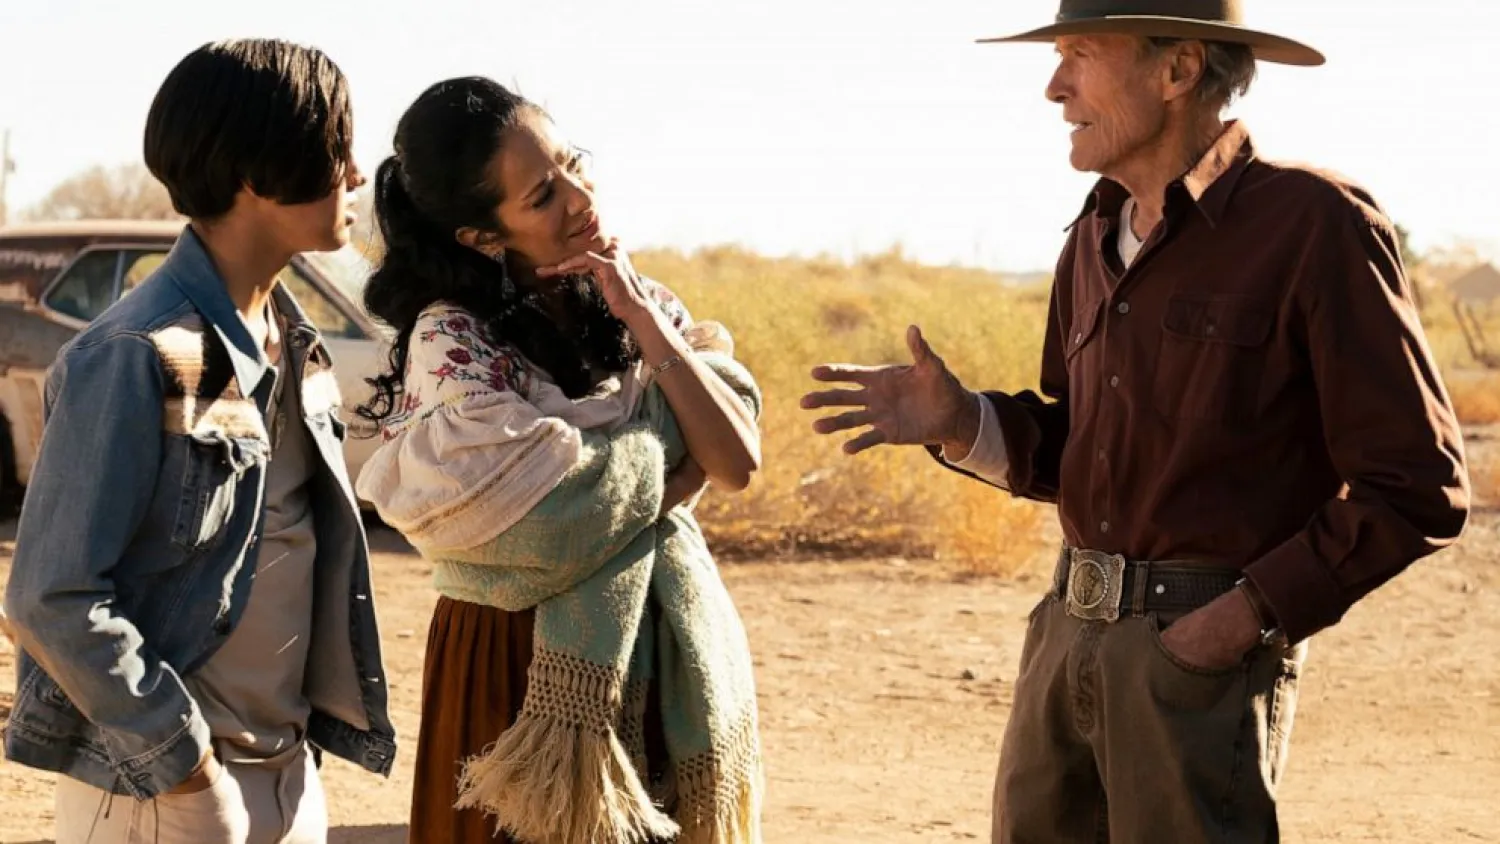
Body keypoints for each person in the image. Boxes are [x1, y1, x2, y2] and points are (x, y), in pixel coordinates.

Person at [801, 2, 1470, 842]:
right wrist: (961, 421)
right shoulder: (1090, 235)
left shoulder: (1316, 224)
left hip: (1199, 655)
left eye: (1080, 54)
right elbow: (1083, 448)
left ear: (1179, 70)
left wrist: (1240, 619)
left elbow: (1417, 487)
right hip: (1062, 635)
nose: (1054, 87)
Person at [352, 76, 766, 844]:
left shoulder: (638, 302)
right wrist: (667, 461)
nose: (581, 198)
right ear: (482, 236)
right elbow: (537, 527)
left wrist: (642, 317)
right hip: (514, 673)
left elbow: (735, 461)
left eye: (575, 165)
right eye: (543, 196)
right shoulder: (455, 339)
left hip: (651, 648)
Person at [3, 39, 397, 844]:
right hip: (164, 795)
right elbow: (51, 596)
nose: (357, 173)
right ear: (255, 172)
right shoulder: (135, 353)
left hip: (289, 775)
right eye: (337, 147)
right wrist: (186, 771)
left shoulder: (296, 344)